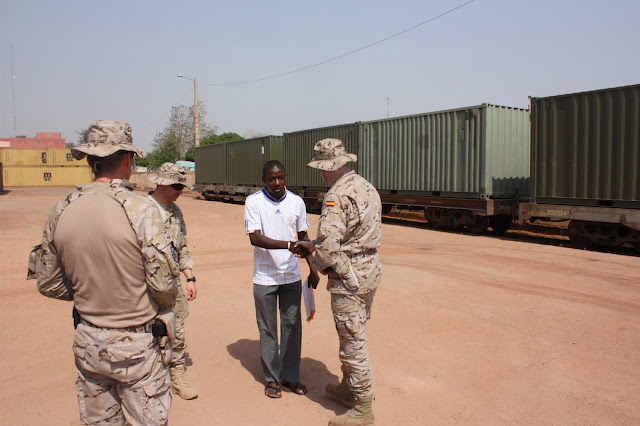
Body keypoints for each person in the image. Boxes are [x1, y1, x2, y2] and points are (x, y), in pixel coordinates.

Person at [27, 120, 179, 425]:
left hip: (88, 340)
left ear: (91, 161)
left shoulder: (61, 209)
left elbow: (48, 283)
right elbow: (163, 284)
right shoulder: (141, 209)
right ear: (126, 159)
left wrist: (90, 290)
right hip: (136, 346)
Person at [294, 138, 382, 426]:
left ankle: (363, 408)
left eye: (321, 168)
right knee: (353, 330)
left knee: (352, 340)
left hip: (348, 276)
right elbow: (352, 233)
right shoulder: (365, 186)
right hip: (369, 269)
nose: (321, 174)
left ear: (326, 168)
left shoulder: (335, 196)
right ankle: (348, 386)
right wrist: (315, 245)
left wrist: (316, 264)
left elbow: (331, 249)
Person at [244, 160, 320, 399]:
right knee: (268, 330)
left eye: (281, 178)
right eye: (271, 179)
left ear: (285, 177)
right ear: (264, 179)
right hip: (264, 276)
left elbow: (303, 236)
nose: (277, 183)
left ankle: (289, 376)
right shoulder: (254, 201)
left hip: (290, 276)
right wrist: (288, 245)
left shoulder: (296, 202)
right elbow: (255, 238)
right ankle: (272, 379)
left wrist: (312, 267)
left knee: (292, 326)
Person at [148, 162, 199, 400]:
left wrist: (190, 277)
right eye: (177, 186)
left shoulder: (175, 212)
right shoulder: (143, 210)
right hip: (146, 285)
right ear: (162, 183)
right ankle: (150, 375)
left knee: (176, 329)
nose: (180, 191)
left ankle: (177, 376)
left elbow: (183, 246)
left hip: (172, 283)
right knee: (147, 330)